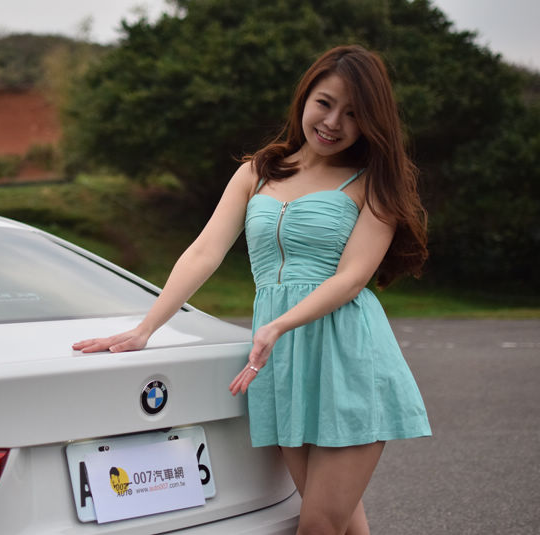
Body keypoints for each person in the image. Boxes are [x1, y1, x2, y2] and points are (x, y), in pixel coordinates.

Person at [73, 44, 431, 535]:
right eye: (324, 103)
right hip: (282, 361)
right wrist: (146, 328)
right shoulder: (258, 170)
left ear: (371, 121)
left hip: (346, 353)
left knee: (319, 524)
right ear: (304, 98)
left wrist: (279, 324)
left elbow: (351, 279)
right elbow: (204, 252)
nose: (333, 122)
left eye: (353, 113)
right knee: (341, 523)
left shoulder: (375, 183)